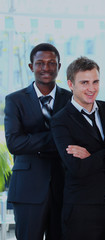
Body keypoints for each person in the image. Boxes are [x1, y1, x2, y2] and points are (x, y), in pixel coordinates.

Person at [4, 43, 72, 240]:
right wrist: (59, 139)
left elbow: (79, 138)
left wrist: (32, 141)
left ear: (59, 67)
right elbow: (15, 143)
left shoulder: (71, 100)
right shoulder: (14, 100)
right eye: (40, 63)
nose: (46, 68)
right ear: (30, 67)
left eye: (52, 63)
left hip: (63, 186)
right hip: (27, 188)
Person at [50, 56, 105, 239]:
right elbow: (77, 168)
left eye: (95, 81)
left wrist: (95, 155)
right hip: (82, 211)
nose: (91, 88)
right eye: (84, 83)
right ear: (71, 84)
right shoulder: (60, 120)